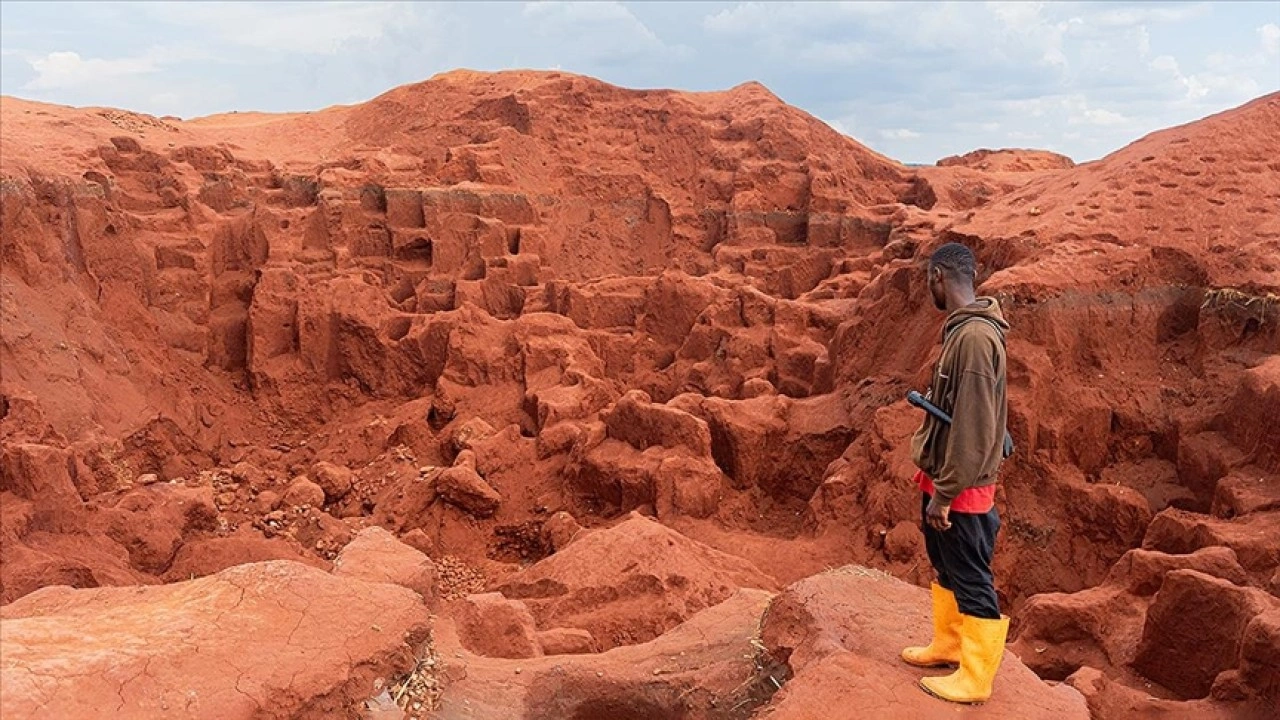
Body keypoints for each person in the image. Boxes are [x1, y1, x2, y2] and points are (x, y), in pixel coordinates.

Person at [900, 241, 1011, 704]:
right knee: (946, 563)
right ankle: (949, 645)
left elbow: (975, 425)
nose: (930, 288)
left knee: (970, 574)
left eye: (930, 279)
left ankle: (976, 678)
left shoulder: (976, 338)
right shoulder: (964, 332)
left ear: (941, 277)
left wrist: (945, 493)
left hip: (961, 488)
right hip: (945, 477)